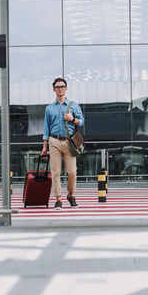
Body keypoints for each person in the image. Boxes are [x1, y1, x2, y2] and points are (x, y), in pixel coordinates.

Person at [41, 77, 85, 210]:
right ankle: (58, 199)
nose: (60, 89)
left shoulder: (74, 105)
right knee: (55, 172)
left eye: (62, 86)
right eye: (57, 87)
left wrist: (72, 119)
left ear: (66, 88)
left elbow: (82, 122)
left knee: (72, 171)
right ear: (54, 89)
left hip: (69, 142)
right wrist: (44, 147)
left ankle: (70, 195)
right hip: (53, 141)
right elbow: (46, 129)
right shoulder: (49, 109)